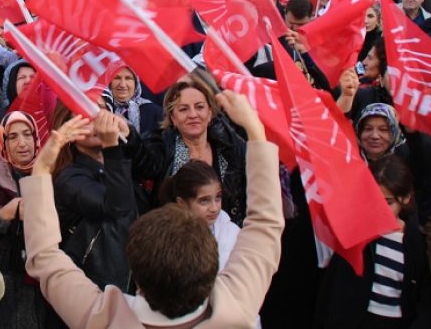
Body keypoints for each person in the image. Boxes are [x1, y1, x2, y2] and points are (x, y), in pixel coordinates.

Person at [21, 93, 283, 327]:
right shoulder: (235, 307)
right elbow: (265, 226)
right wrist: (255, 129)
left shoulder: (104, 318)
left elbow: (44, 258)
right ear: (210, 267)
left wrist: (42, 168)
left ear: (138, 278)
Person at [314, 156, 431, 328]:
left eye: (388, 203)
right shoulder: (357, 235)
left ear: (406, 198)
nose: (380, 209)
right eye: (373, 201)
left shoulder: (416, 242)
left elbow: (424, 298)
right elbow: (332, 290)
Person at [124, 74, 248, 225]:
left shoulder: (230, 146)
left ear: (210, 113)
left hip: (228, 239)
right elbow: (146, 162)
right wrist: (129, 136)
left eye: (199, 107)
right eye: (183, 109)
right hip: (174, 238)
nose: (193, 115)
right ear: (173, 118)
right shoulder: (162, 145)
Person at [0, 111, 55, 328]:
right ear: (3, 141)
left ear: (36, 138)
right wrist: (5, 213)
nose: (22, 143)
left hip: (45, 267)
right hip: (6, 269)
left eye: (27, 134)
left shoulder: (50, 171)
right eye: (13, 137)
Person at [52, 104, 135, 291]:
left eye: (100, 113)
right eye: (86, 119)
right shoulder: (69, 178)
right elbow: (117, 208)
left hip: (129, 275)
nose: (98, 124)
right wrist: (111, 147)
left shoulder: (117, 160)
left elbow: (152, 165)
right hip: (93, 286)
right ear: (69, 132)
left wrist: (128, 135)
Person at [160, 160, 240, 270]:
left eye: (218, 198)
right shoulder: (163, 238)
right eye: (204, 201)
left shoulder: (233, 234)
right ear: (181, 203)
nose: (214, 208)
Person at [103, 66, 163, 140]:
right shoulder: (103, 110)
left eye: (128, 78)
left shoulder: (154, 111)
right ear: (109, 83)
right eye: (117, 78)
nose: (122, 85)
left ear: (136, 83)